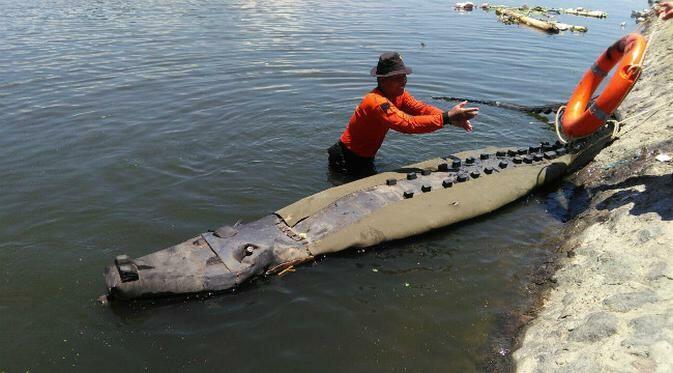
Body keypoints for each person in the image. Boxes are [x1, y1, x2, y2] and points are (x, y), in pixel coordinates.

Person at [328, 52, 478, 176]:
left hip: (366, 156)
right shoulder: (376, 102)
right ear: (382, 80)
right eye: (397, 78)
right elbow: (408, 124)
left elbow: (420, 109)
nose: (403, 81)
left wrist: (451, 117)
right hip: (346, 158)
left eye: (404, 76)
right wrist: (446, 117)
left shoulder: (399, 95)